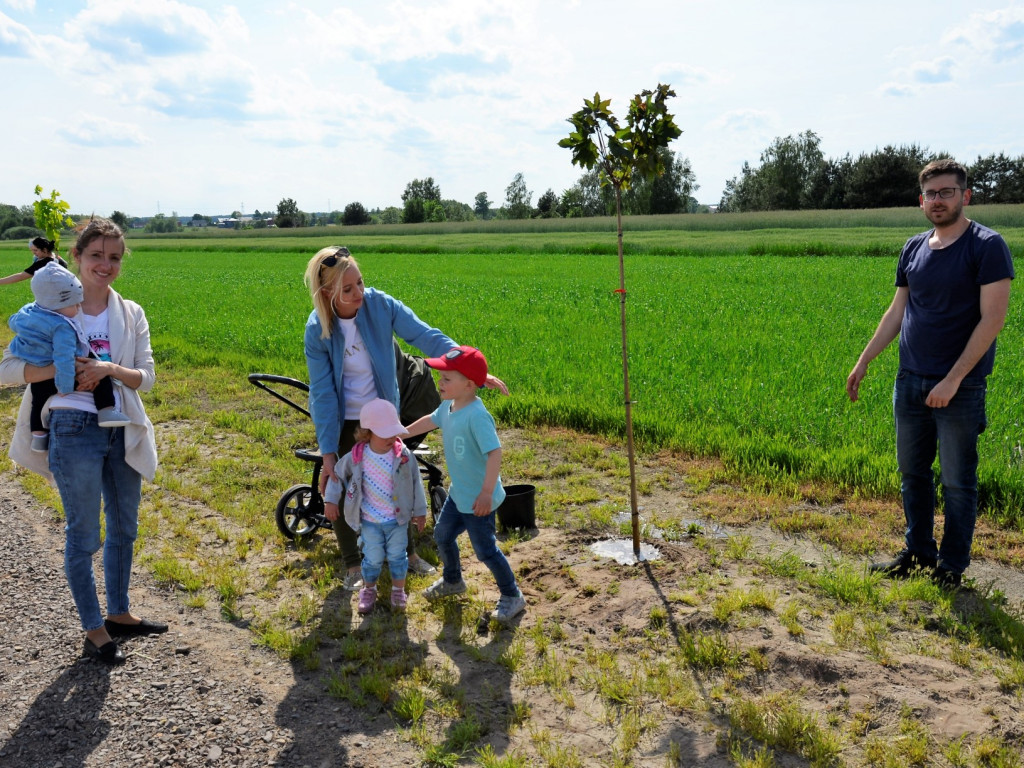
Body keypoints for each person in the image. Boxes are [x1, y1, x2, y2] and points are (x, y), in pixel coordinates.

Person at [0, 217, 163, 665]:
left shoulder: (130, 313)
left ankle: (120, 614)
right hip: (71, 429)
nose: (105, 265)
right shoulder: (45, 309)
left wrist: (107, 370)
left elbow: (145, 378)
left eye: (113, 258)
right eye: (96, 256)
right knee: (84, 532)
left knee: (125, 526)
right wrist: (63, 369)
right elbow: (7, 372)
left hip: (121, 426)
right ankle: (94, 629)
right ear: (76, 257)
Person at [846, 158, 1014, 589]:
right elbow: (897, 311)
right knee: (912, 473)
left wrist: (954, 378)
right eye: (930, 194)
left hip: (961, 385)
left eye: (946, 192)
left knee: (958, 481)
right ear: (921, 201)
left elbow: (992, 320)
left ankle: (951, 566)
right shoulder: (914, 247)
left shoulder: (986, 245)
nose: (937, 200)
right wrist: (865, 360)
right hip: (910, 381)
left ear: (965, 196)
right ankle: (918, 552)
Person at [303, 246, 507, 592]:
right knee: (343, 486)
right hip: (346, 420)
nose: (359, 294)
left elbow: (425, 335)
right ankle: (353, 563)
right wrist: (327, 456)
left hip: (383, 413)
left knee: (396, 482)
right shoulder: (318, 330)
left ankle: (409, 556)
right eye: (348, 290)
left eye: (360, 283)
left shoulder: (379, 304)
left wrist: (468, 366)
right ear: (327, 294)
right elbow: (322, 395)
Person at [404, 346, 527, 625]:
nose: (440, 383)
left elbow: (494, 453)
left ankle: (512, 595)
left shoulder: (477, 416)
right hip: (459, 494)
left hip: (478, 500)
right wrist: (403, 432)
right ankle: (453, 580)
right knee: (443, 535)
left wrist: (486, 493)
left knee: (485, 551)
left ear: (469, 385)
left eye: (447, 379)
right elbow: (430, 421)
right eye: (441, 377)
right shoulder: (448, 407)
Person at [7, 262, 130, 453]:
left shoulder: (28, 312)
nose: (78, 308)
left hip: (36, 365)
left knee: (37, 401)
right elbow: (63, 358)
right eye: (74, 304)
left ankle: (38, 438)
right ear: (57, 304)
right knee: (101, 371)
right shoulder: (61, 327)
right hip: (61, 373)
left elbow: (13, 321)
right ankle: (107, 411)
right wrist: (64, 386)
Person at [326, 399, 427, 614]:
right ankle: (368, 589)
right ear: (367, 433)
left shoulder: (403, 456)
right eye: (385, 433)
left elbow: (415, 482)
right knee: (373, 559)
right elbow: (336, 475)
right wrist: (331, 500)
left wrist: (420, 512)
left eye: (394, 432)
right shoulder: (356, 457)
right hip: (370, 521)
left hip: (397, 521)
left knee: (398, 557)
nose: (392, 437)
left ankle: (398, 591)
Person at [0, 236, 68, 285]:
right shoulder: (57, 258)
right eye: (32, 250)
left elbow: (20, 276)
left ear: (44, 250)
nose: (34, 253)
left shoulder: (43, 263)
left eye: (35, 250)